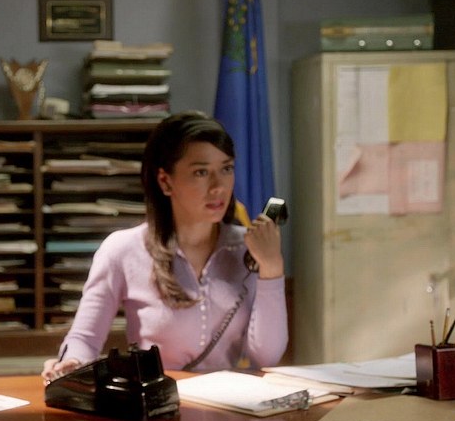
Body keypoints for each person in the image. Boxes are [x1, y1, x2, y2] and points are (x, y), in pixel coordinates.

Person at [42, 111, 288, 380]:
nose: (218, 186)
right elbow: (85, 339)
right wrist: (72, 362)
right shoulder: (122, 249)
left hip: (227, 400)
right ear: (165, 181)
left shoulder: (249, 248)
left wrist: (271, 268)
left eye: (226, 169)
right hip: (158, 398)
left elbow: (266, 357)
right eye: (201, 172)